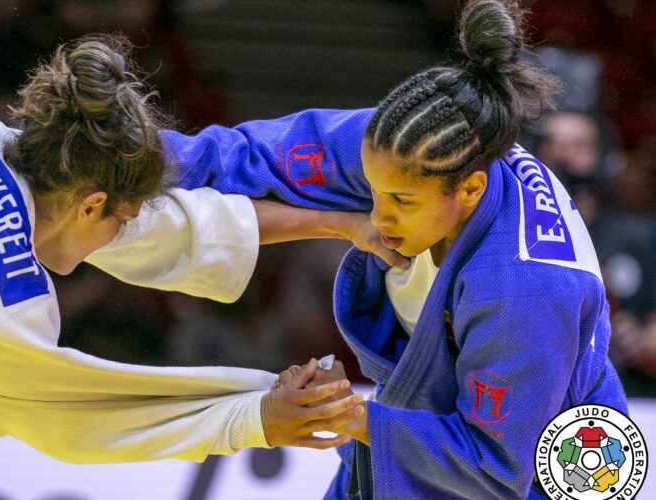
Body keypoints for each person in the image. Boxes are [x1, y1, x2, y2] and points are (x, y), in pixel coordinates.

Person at [162, 1, 629, 497]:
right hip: (432, 409)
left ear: (469, 190)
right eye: (372, 189)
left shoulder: (523, 288)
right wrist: (154, 160)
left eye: (401, 201)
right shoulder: (410, 147)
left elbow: (493, 467)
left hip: (557, 464)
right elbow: (265, 155)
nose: (377, 216)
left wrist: (352, 415)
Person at [0, 34, 382, 465]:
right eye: (120, 220)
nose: (123, 234)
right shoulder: (0, 310)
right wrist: (257, 416)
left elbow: (163, 228)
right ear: (92, 206)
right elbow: (86, 418)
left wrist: (338, 223)